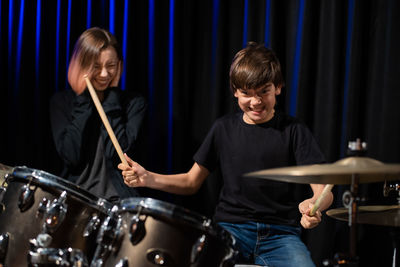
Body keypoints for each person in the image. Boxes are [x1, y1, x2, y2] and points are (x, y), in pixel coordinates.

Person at [118, 42, 333, 267]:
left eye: (263, 92)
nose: (256, 101)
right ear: (235, 92)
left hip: (280, 235)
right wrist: (147, 178)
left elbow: (324, 189)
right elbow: (191, 182)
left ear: (278, 87)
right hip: (231, 230)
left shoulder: (293, 130)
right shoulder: (223, 129)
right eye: (246, 94)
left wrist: (313, 203)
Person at [50, 27, 147, 202]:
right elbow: (71, 157)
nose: (104, 74)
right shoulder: (62, 102)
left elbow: (120, 157)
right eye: (96, 66)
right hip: (75, 198)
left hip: (118, 200)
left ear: (119, 65)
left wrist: (112, 98)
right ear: (82, 65)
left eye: (111, 66)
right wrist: (84, 98)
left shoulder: (134, 104)